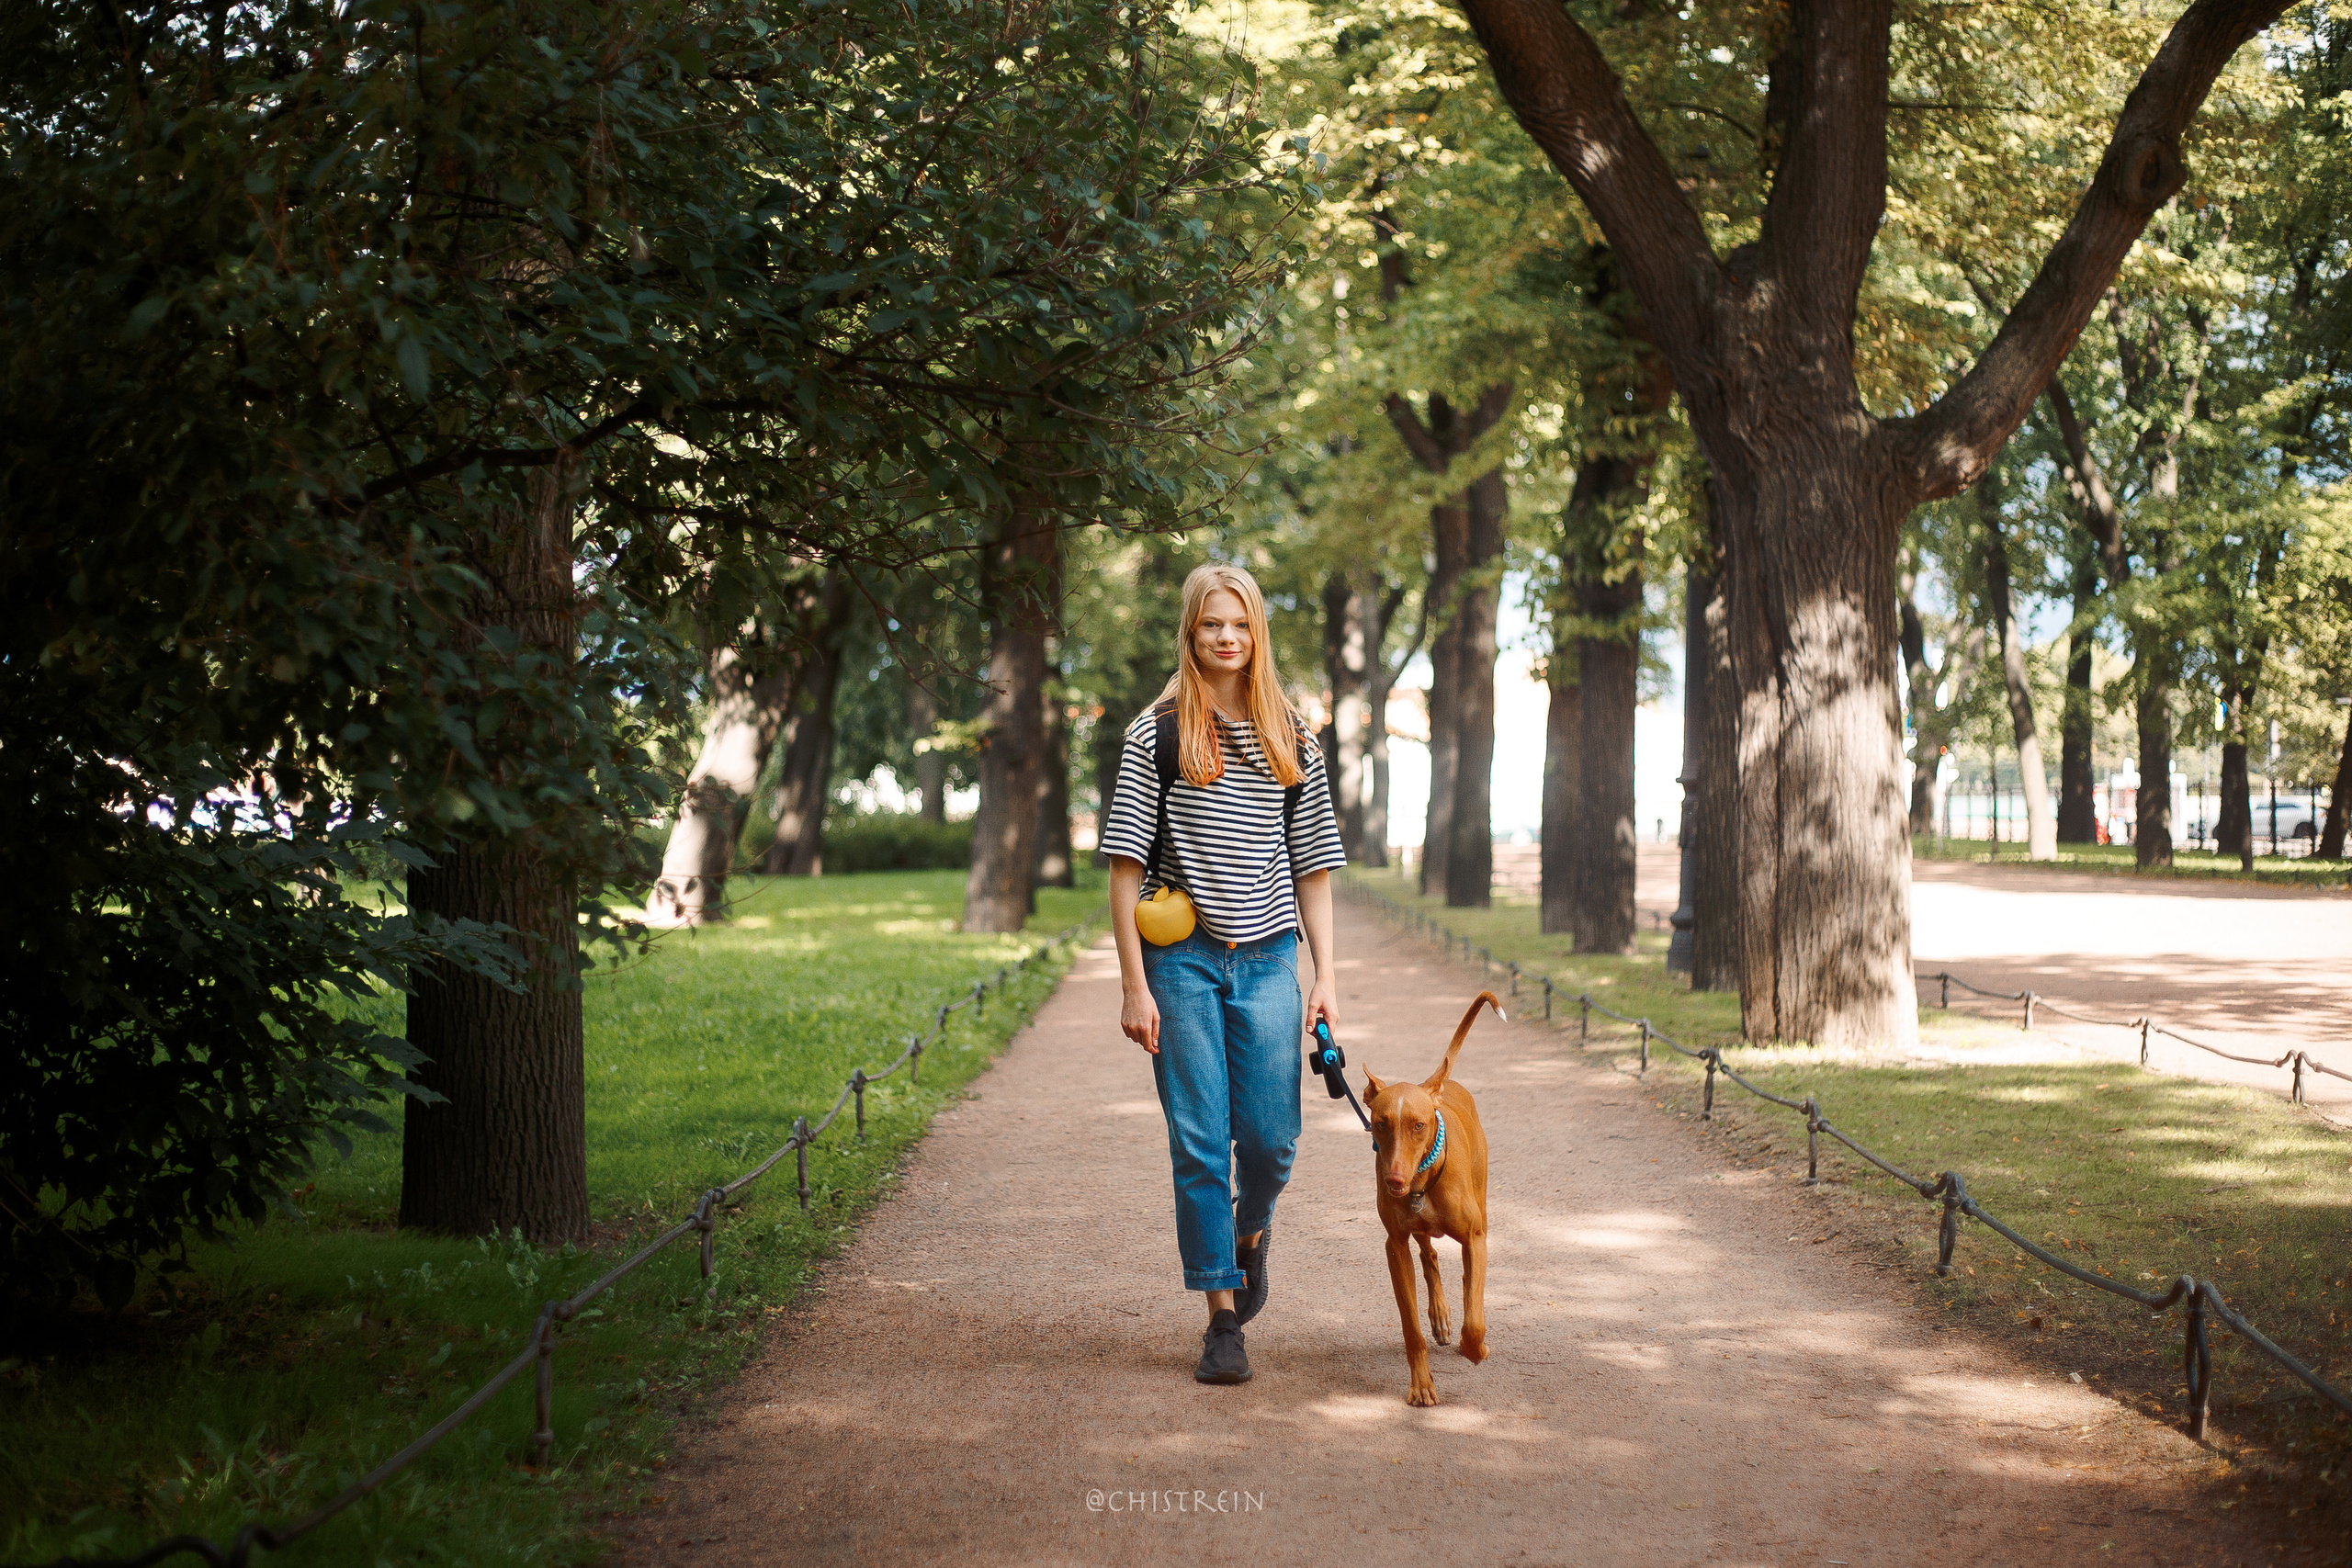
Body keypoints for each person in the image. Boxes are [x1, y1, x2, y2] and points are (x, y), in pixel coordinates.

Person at [1100, 563, 1345, 1387]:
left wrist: (1327, 975)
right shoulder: (1158, 732)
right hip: (1183, 960)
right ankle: (1221, 1316)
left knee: (1271, 1139)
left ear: (1257, 631)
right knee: (1200, 1140)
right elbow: (1126, 866)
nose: (1227, 637)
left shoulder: (1292, 734)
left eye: (1239, 623)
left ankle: (1250, 1236)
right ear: (1191, 631)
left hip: (1271, 954)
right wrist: (1134, 985)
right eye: (1212, 624)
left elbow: (1312, 863)